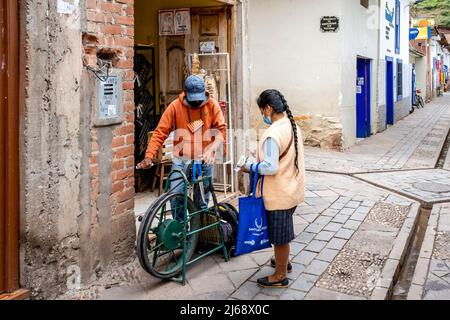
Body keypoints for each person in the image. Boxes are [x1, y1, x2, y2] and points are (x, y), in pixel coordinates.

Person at [137, 75, 227, 220]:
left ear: (204, 93)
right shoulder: (175, 106)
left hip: (205, 159)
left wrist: (211, 149)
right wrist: (149, 155)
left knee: (202, 201)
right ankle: (180, 232)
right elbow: (160, 132)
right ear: (185, 94)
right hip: (181, 159)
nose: (197, 102)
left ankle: (201, 233)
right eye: (193, 99)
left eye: (199, 98)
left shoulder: (212, 105)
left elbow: (221, 131)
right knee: (176, 196)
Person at [242, 89, 305, 288]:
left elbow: (270, 167)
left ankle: (279, 275)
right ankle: (282, 262)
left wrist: (248, 166)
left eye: (262, 111)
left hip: (279, 194)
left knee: (280, 237)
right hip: (292, 189)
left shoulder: (273, 134)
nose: (262, 116)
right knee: (283, 232)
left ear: (268, 109)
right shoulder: (291, 125)